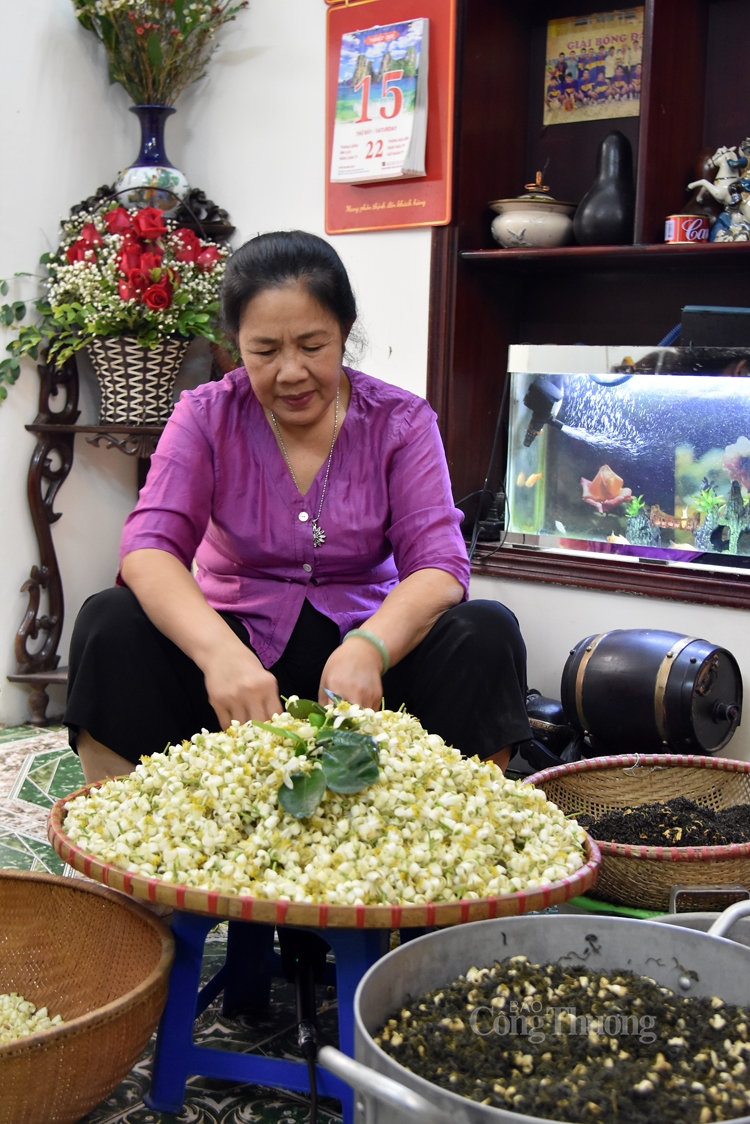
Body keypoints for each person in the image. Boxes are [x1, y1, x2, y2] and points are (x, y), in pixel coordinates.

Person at [64, 231, 533, 785]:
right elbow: (149, 550)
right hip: (233, 674)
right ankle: (129, 825)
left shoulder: (401, 423)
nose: (291, 372)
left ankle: (452, 822)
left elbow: (439, 566)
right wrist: (219, 655)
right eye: (264, 351)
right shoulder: (206, 416)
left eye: (313, 346)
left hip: (364, 683)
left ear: (345, 332)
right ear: (234, 342)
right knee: (109, 621)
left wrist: (371, 647)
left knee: (486, 630)